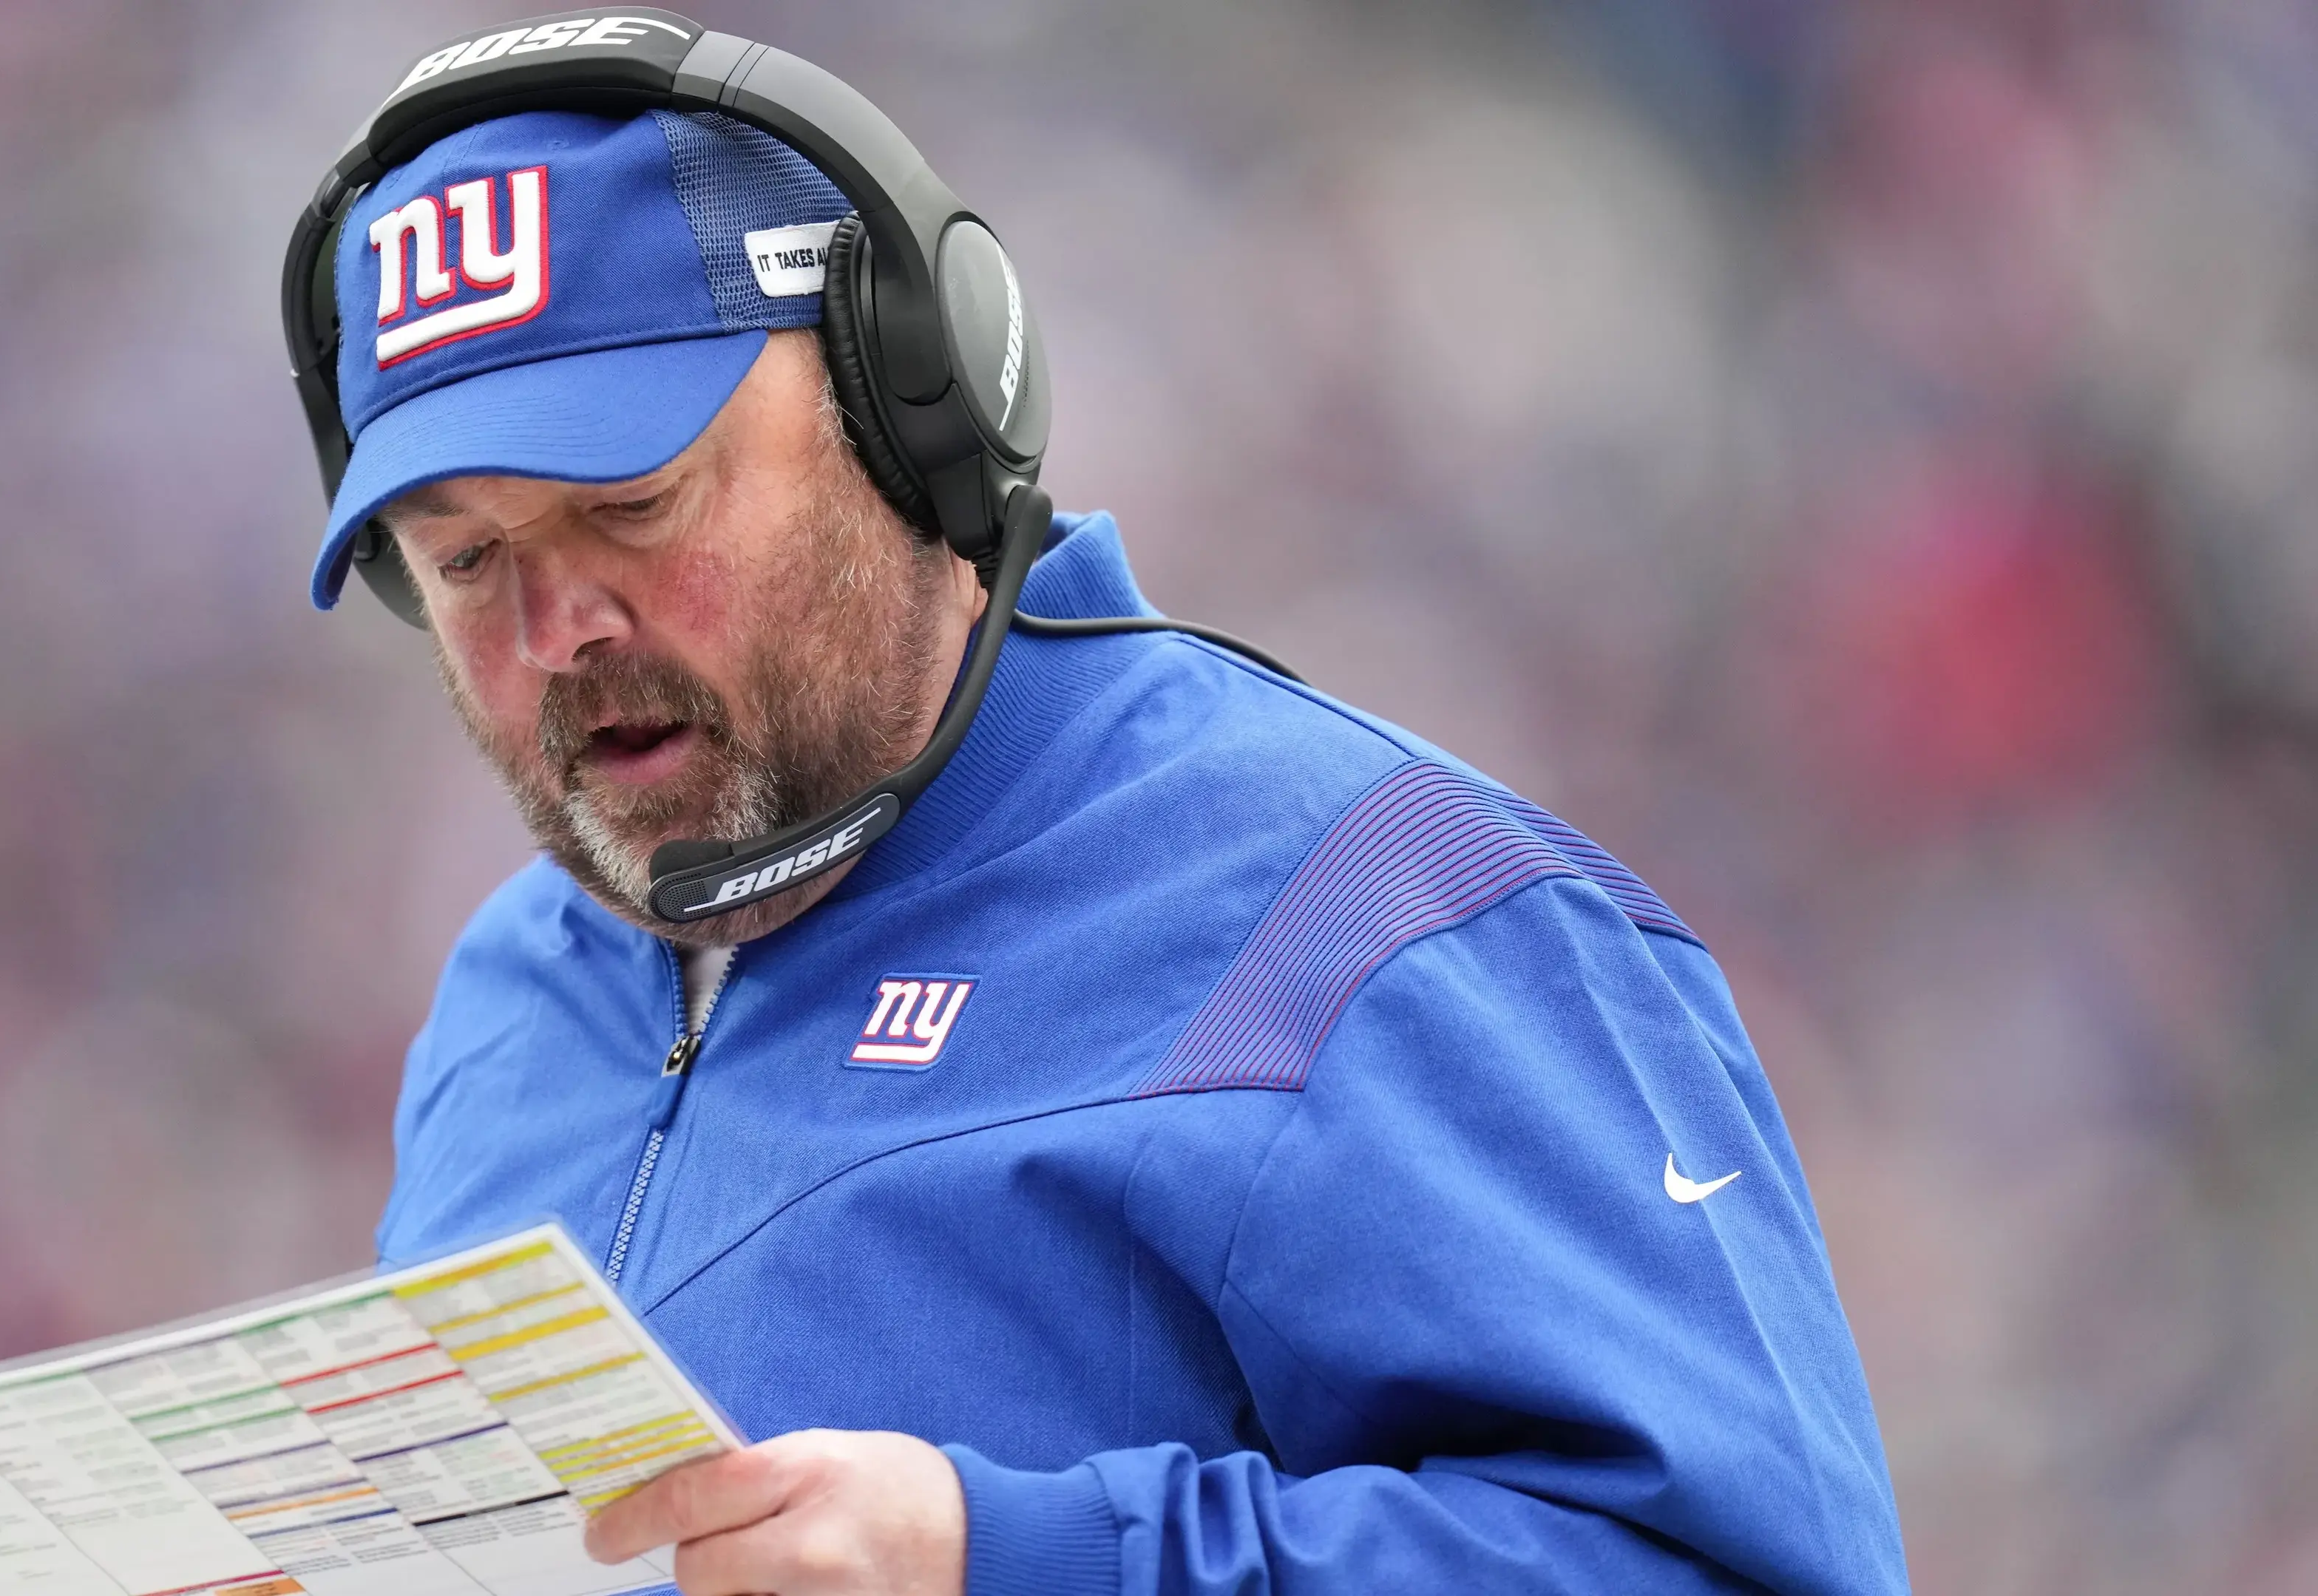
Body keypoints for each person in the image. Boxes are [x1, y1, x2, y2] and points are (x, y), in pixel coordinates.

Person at [307, 93, 1908, 1596]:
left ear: (905, 410)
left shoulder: (1367, 905)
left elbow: (1720, 1563)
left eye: (638, 503)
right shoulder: (510, 999)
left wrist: (1015, 1556)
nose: (560, 624)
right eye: (462, 558)